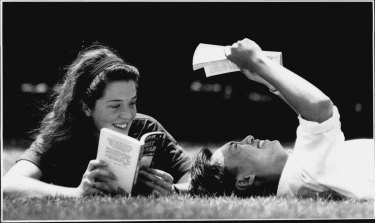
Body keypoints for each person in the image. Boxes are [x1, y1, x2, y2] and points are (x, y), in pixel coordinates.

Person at [189, 38, 374, 200]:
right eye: (237, 146)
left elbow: (313, 110)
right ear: (245, 180)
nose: (249, 138)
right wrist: (257, 61)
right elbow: (320, 109)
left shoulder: (300, 176)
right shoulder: (303, 175)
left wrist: (265, 78)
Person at [3, 43, 191, 198]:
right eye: (115, 105)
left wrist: (174, 190)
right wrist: (76, 193)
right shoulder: (62, 134)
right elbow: (9, 184)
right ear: (86, 107)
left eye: (132, 102)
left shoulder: (148, 129)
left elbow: (194, 181)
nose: (128, 115)